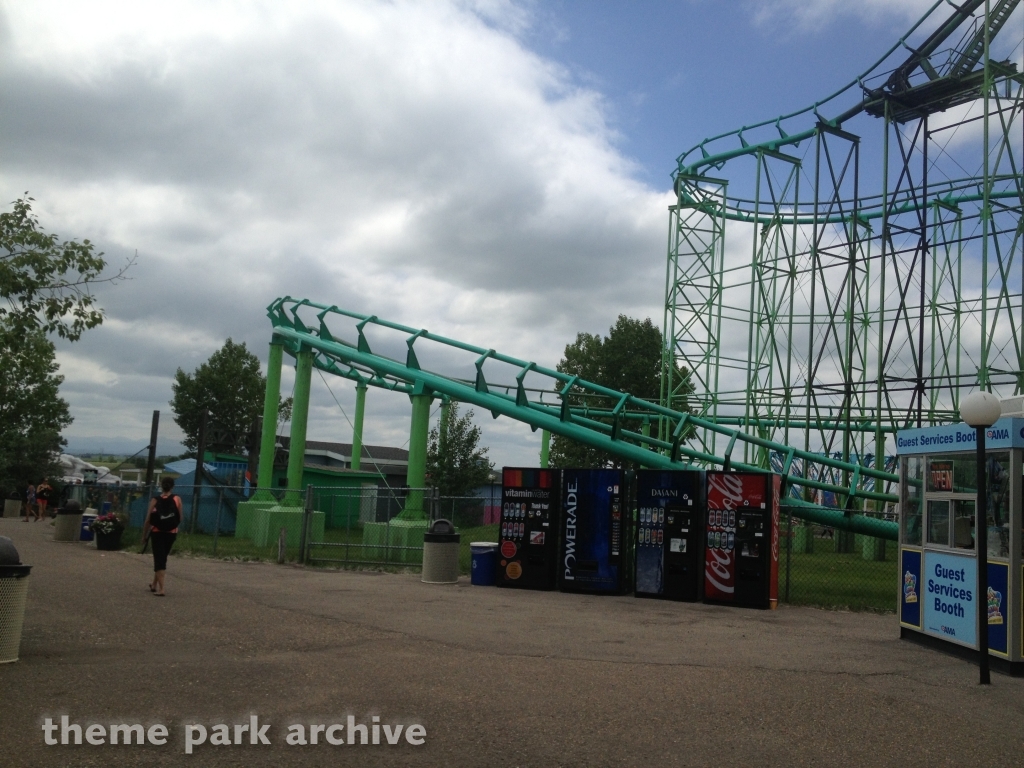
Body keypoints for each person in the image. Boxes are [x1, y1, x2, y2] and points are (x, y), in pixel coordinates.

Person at [143, 477, 182, 597]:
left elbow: (148, 519)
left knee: (159, 559)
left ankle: (162, 589)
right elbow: (180, 517)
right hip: (171, 532)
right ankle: (154, 584)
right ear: (172, 486)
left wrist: (144, 535)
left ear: (161, 486)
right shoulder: (177, 499)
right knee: (162, 557)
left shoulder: (155, 500)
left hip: (157, 532)